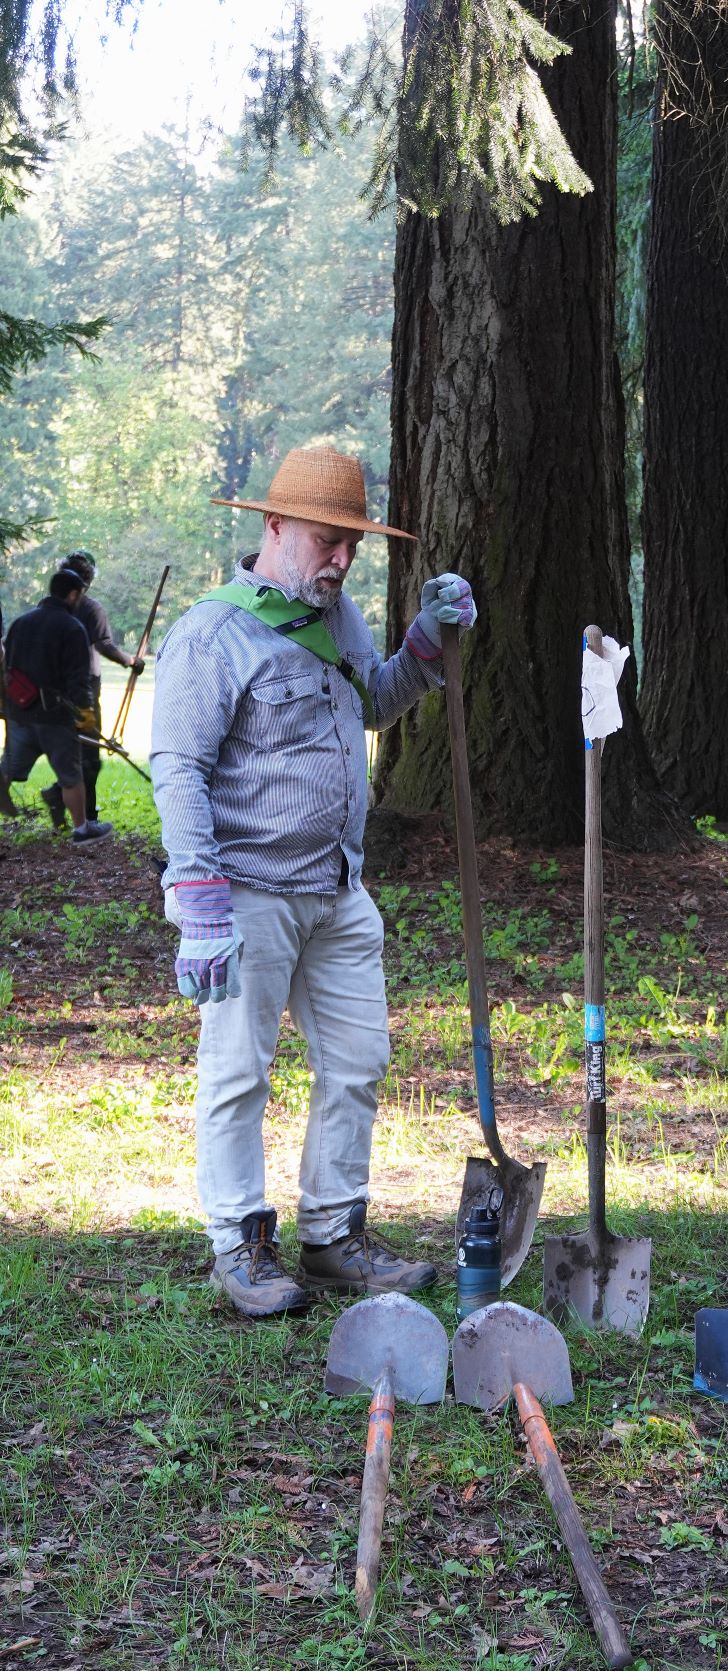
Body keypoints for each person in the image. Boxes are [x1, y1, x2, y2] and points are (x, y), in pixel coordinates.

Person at [150, 444, 478, 1320]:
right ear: (273, 526)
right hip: (247, 892)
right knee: (238, 1074)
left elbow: (373, 702)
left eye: (352, 546)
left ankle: (333, 1235)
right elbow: (178, 770)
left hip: (338, 890)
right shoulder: (212, 634)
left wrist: (425, 641)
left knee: (359, 1063)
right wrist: (199, 906)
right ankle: (240, 1243)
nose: (340, 560)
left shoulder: (339, 619)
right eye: (327, 541)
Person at [0, 567, 114, 844]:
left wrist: (8, 706)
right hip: (55, 717)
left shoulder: (20, 623)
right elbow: (78, 678)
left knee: (8, 769)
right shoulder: (72, 628)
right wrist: (85, 711)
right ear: (73, 594)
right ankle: (82, 830)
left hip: (19, 714)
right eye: (80, 595)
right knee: (70, 776)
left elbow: (7, 669)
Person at [39, 550, 145, 830]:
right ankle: (85, 816)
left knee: (68, 751)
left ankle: (61, 799)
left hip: (52, 692)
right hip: (82, 690)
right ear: (87, 580)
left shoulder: (45, 606)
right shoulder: (90, 608)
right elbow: (103, 645)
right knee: (88, 756)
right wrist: (131, 661)